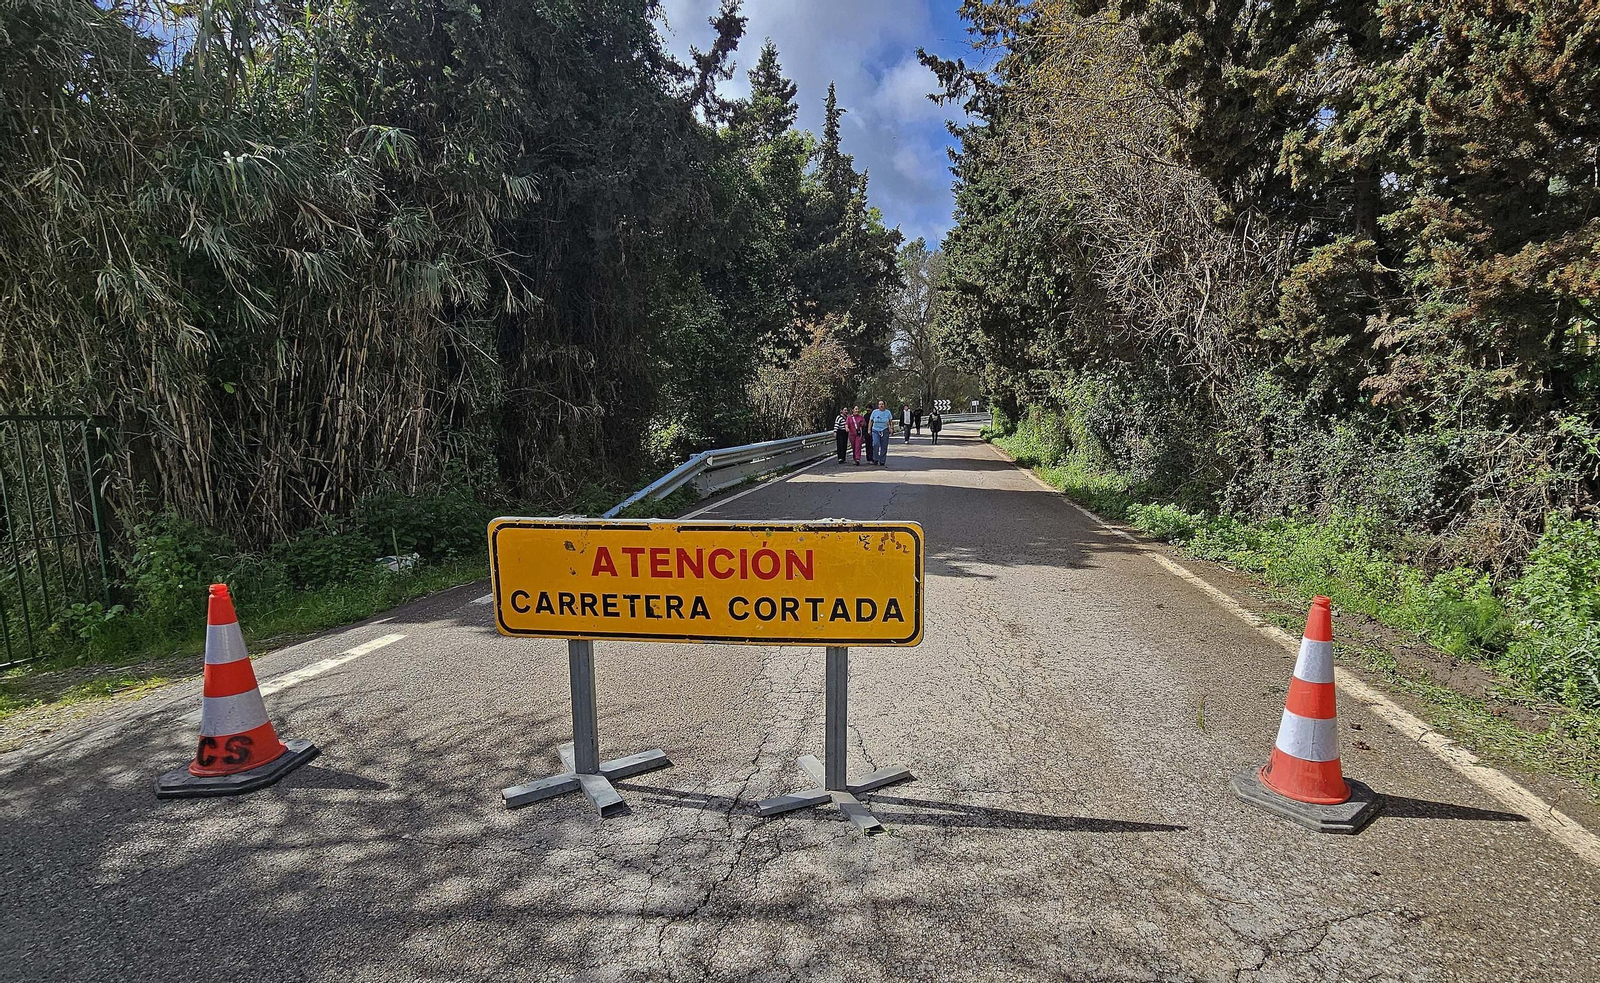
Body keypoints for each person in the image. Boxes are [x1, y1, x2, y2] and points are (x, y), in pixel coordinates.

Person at [870, 400, 893, 465]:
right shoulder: (874, 412)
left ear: (884, 405)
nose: (881, 405)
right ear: (878, 405)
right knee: (875, 444)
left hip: (884, 430)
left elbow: (890, 421)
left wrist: (891, 428)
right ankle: (875, 459)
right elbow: (871, 421)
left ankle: (882, 461)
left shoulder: (888, 412)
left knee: (884, 446)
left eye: (882, 404)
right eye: (880, 404)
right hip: (875, 430)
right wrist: (869, 429)